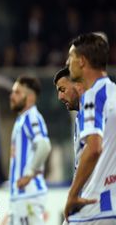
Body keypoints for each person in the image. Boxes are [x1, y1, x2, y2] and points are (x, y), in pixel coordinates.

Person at [63, 32, 116, 224]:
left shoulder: (92, 95)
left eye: (71, 57)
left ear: (82, 61)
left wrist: (72, 195)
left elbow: (93, 148)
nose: (68, 64)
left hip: (94, 208)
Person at [8, 75, 52, 225]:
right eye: (13, 92)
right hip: (21, 196)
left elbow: (44, 145)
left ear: (31, 97)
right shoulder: (22, 119)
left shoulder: (31, 117)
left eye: (17, 92)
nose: (12, 96)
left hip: (29, 194)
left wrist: (29, 174)